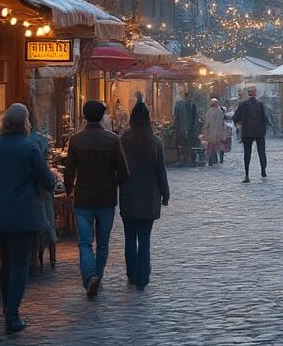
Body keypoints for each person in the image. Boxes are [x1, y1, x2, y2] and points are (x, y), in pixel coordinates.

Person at [0, 103, 56, 334]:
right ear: (25, 123)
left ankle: (7, 307)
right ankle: (12, 314)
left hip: (1, 214)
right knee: (20, 265)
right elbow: (46, 179)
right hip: (24, 215)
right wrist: (50, 181)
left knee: (6, 263)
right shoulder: (30, 148)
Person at [64, 99, 130, 298]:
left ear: (84, 116)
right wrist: (113, 183)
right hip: (106, 199)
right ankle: (97, 278)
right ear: (103, 116)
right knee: (102, 243)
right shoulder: (112, 140)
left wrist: (69, 190)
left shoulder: (76, 140)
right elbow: (124, 173)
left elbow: (68, 172)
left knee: (84, 243)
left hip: (83, 199)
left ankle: (90, 278)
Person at [119, 102, 170, 291]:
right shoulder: (155, 141)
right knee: (145, 239)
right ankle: (143, 276)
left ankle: (132, 274)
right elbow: (160, 171)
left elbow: (118, 168)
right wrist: (165, 194)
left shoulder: (123, 140)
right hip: (149, 197)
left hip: (128, 195)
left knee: (130, 238)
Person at [27, 106, 57, 271]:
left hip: (19, 198)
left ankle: (31, 257)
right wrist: (51, 181)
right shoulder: (38, 141)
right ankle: (48, 250)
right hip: (39, 191)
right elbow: (45, 170)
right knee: (47, 217)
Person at [232, 85, 271, 182]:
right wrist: (266, 127)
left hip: (247, 132)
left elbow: (235, 118)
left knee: (247, 154)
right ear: (255, 93)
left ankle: (247, 174)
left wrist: (239, 124)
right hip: (259, 132)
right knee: (261, 152)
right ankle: (263, 170)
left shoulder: (243, 104)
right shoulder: (260, 104)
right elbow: (265, 118)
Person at [172, 90, 199, 166]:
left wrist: (177, 126)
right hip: (190, 128)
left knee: (183, 144)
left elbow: (176, 116)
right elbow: (195, 117)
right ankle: (189, 158)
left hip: (182, 128)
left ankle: (184, 158)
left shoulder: (179, 104)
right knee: (189, 144)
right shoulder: (192, 104)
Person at [203, 97, 228, 166]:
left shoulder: (210, 112)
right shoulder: (219, 112)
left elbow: (207, 123)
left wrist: (205, 130)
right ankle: (216, 160)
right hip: (216, 132)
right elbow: (221, 123)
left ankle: (213, 160)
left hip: (213, 132)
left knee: (212, 146)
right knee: (215, 146)